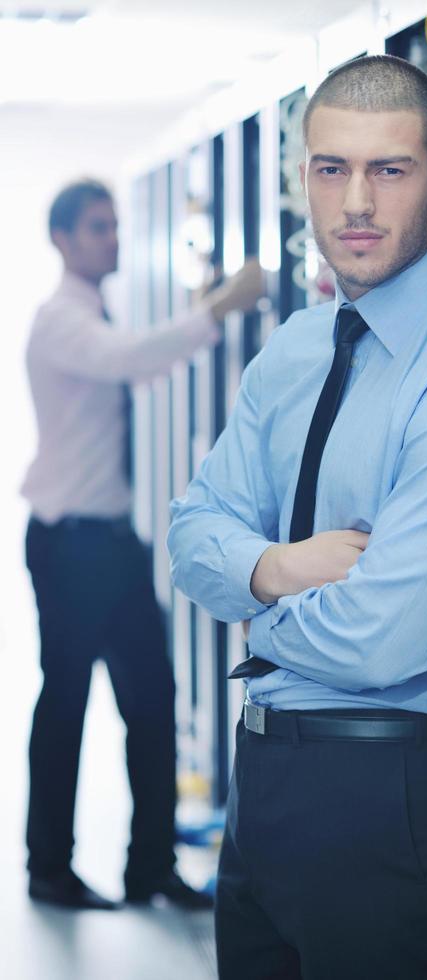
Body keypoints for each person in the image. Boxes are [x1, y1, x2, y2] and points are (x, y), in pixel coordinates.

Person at [168, 55, 427, 979]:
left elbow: (389, 640)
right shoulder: (298, 348)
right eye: (332, 169)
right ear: (306, 180)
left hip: (396, 800)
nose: (356, 204)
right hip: (263, 787)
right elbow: (190, 532)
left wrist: (247, 599)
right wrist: (288, 568)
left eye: (390, 169)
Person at [22, 178, 264, 911]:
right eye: (99, 228)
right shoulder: (60, 319)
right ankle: (49, 869)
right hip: (70, 545)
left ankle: (149, 868)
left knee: (153, 701)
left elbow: (139, 357)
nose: (114, 239)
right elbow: (130, 358)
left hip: (110, 544)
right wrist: (219, 306)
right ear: (63, 239)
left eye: (116, 226)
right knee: (66, 705)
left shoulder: (90, 309)